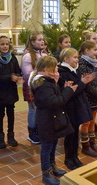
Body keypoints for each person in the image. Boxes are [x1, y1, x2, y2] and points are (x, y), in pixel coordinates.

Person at [30, 56, 77, 185]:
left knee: (52, 146)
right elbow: (55, 102)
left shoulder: (47, 81)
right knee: (46, 148)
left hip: (52, 120)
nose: (57, 68)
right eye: (55, 66)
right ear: (46, 69)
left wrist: (63, 88)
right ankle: (46, 173)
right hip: (47, 121)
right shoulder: (43, 84)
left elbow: (54, 97)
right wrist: (68, 91)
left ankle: (53, 167)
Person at [58, 48, 95, 170]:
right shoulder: (62, 72)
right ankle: (68, 158)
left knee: (75, 133)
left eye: (77, 57)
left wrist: (82, 82)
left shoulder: (75, 70)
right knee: (70, 134)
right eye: (74, 57)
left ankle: (75, 156)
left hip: (77, 105)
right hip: (69, 107)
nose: (77, 59)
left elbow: (79, 88)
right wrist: (83, 82)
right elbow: (70, 92)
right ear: (66, 59)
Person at [0, 36, 23, 149]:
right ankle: (0, 137)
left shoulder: (12, 58)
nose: (5, 46)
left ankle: (11, 136)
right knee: (0, 113)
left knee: (11, 113)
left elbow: (18, 71)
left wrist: (18, 77)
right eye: (2, 44)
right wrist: (9, 77)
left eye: (7, 44)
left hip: (11, 90)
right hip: (0, 91)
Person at [21, 31, 47, 145]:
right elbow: (27, 74)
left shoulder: (45, 55)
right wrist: (44, 73)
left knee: (42, 110)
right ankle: (32, 133)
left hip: (44, 87)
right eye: (39, 40)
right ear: (32, 42)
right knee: (33, 110)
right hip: (32, 87)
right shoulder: (27, 56)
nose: (42, 41)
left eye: (43, 39)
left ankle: (40, 130)